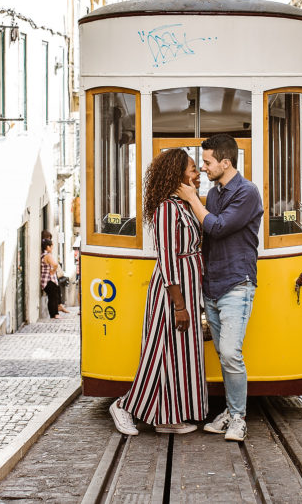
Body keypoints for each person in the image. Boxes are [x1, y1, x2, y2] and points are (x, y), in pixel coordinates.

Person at [109, 148, 207, 436]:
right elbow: (166, 257)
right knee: (159, 354)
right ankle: (124, 406)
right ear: (177, 174)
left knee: (177, 355)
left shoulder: (185, 205)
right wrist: (179, 303)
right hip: (171, 291)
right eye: (192, 169)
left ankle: (167, 417)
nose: (197, 174)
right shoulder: (167, 209)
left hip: (187, 288)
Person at [177, 133, 263, 442]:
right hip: (211, 286)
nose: (203, 168)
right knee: (225, 354)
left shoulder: (248, 192)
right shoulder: (213, 195)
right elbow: (207, 238)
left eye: (207, 162)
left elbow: (217, 227)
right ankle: (229, 411)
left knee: (229, 352)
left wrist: (191, 200)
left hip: (237, 283)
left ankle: (238, 418)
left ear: (225, 163)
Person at [40, 238, 68, 319]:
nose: (52, 248)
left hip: (46, 280)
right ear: (48, 247)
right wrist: (53, 270)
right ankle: (54, 314)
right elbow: (55, 264)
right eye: (51, 246)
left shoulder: (43, 255)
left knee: (53, 296)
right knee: (53, 297)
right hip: (49, 280)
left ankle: (55, 313)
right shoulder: (48, 255)